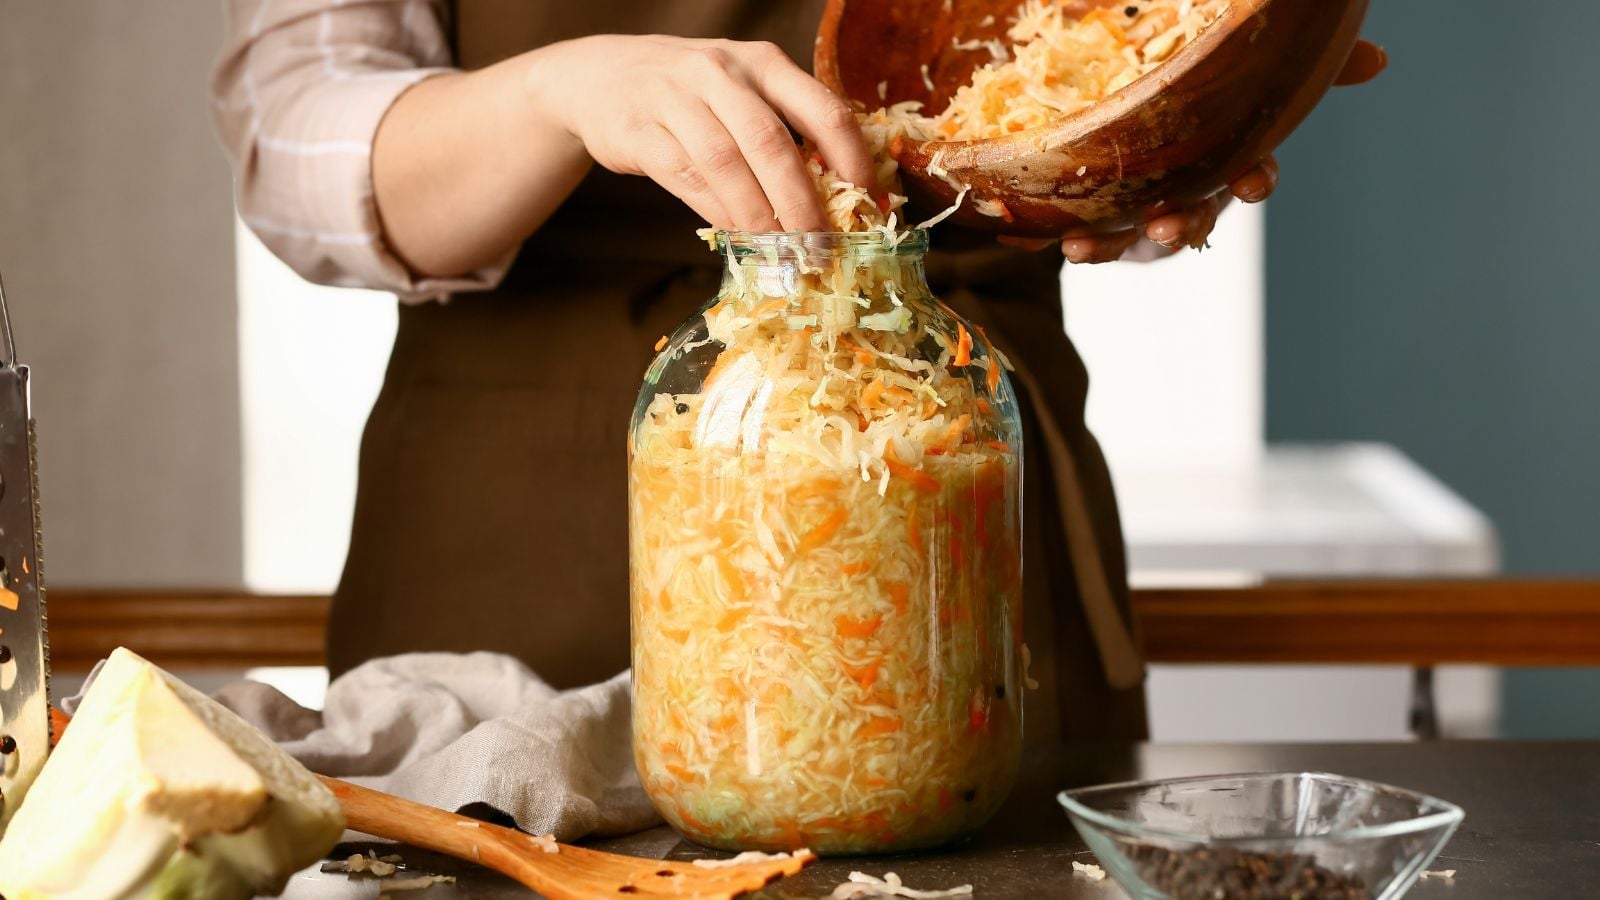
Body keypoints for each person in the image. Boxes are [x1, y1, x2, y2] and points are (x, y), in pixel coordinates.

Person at [212, 1, 1383, 745]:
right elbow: (297, 141)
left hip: (951, 470)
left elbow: (1070, 43)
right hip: (513, 534)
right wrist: (552, 94)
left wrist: (1134, 135)